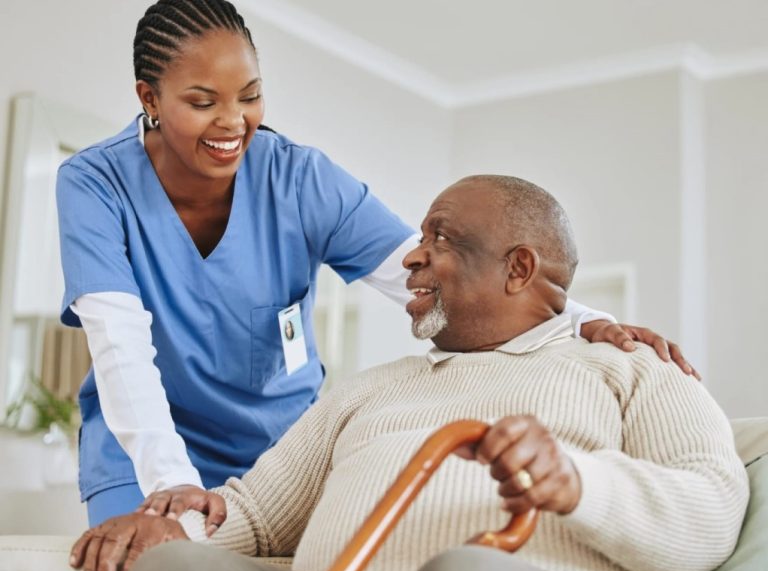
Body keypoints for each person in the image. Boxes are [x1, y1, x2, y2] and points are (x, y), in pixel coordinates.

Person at [57, 0, 697, 528]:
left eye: (250, 96)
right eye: (202, 102)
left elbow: (428, 272)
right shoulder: (94, 185)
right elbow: (120, 347)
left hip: (279, 455)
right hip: (144, 449)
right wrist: (171, 483)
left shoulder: (298, 179)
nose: (233, 122)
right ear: (150, 97)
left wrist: (580, 318)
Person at [70, 175, 747, 571]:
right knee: (172, 566)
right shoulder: (369, 388)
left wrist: (578, 483)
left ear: (518, 268)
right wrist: (170, 531)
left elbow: (714, 510)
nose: (411, 259)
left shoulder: (631, 368)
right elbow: (254, 516)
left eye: (440, 239)